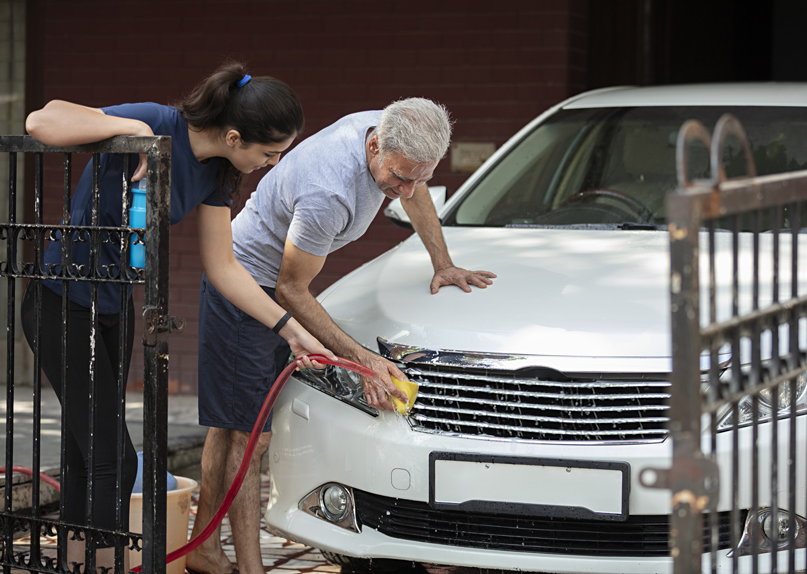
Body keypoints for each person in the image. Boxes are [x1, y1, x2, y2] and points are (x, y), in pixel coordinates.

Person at [20, 62, 332, 572]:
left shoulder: (217, 173)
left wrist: (290, 329)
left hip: (114, 308)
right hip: (61, 301)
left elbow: (225, 268)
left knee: (87, 455)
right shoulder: (155, 122)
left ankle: (74, 564)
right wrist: (131, 132)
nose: (273, 164)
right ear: (234, 136)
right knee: (114, 461)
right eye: (269, 153)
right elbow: (41, 121)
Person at [187, 98, 496, 574]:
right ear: (374, 147)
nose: (408, 189)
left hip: (277, 290)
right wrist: (365, 360)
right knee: (248, 438)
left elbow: (414, 193)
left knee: (234, 429)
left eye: (421, 176)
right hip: (246, 290)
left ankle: (203, 551)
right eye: (399, 177)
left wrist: (443, 263)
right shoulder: (328, 191)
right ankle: (247, 568)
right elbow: (290, 288)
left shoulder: (394, 136)